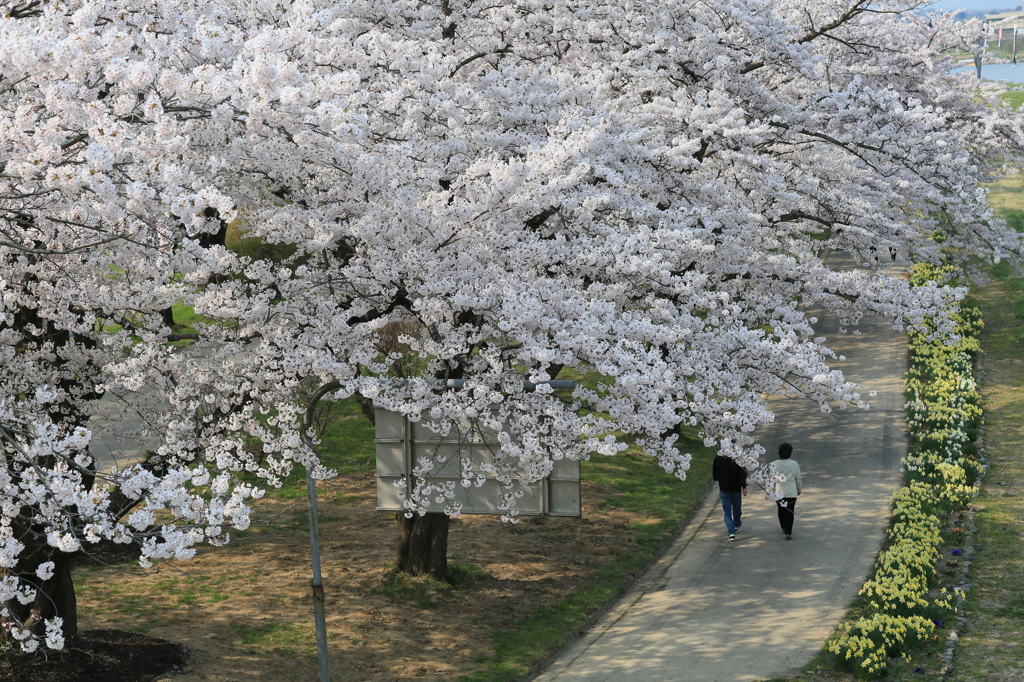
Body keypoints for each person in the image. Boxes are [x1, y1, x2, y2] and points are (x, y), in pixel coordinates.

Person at [712, 452, 747, 541]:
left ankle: (731, 532)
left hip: (724, 489)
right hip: (736, 489)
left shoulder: (718, 459)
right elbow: (743, 473)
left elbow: (715, 476)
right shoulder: (738, 458)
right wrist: (744, 487)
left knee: (727, 512)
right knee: (736, 510)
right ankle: (735, 526)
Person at [774, 442, 802, 540]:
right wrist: (799, 489)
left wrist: (769, 491)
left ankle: (784, 527)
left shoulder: (775, 464)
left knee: (781, 510)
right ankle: (789, 532)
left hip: (779, 491)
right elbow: (798, 478)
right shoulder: (794, 464)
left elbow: (770, 479)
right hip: (791, 491)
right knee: (790, 511)